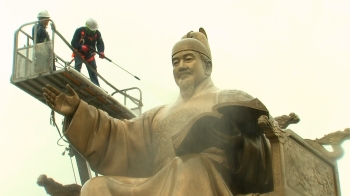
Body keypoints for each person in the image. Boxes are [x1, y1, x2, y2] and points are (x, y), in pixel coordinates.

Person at [43, 28, 273, 196]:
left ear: (207, 66)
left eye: (188, 59)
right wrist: (78, 111)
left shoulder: (228, 98)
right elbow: (119, 135)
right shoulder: (159, 115)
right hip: (157, 184)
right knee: (95, 187)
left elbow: (269, 142)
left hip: (208, 181)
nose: (180, 66)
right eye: (175, 62)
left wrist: (237, 144)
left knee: (188, 167)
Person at [71, 18, 105, 86]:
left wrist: (101, 51)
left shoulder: (97, 34)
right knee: (77, 67)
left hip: (90, 54)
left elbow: (100, 43)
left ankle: (96, 86)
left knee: (93, 71)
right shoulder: (79, 31)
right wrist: (81, 47)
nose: (93, 32)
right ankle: (75, 82)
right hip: (79, 53)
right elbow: (73, 43)